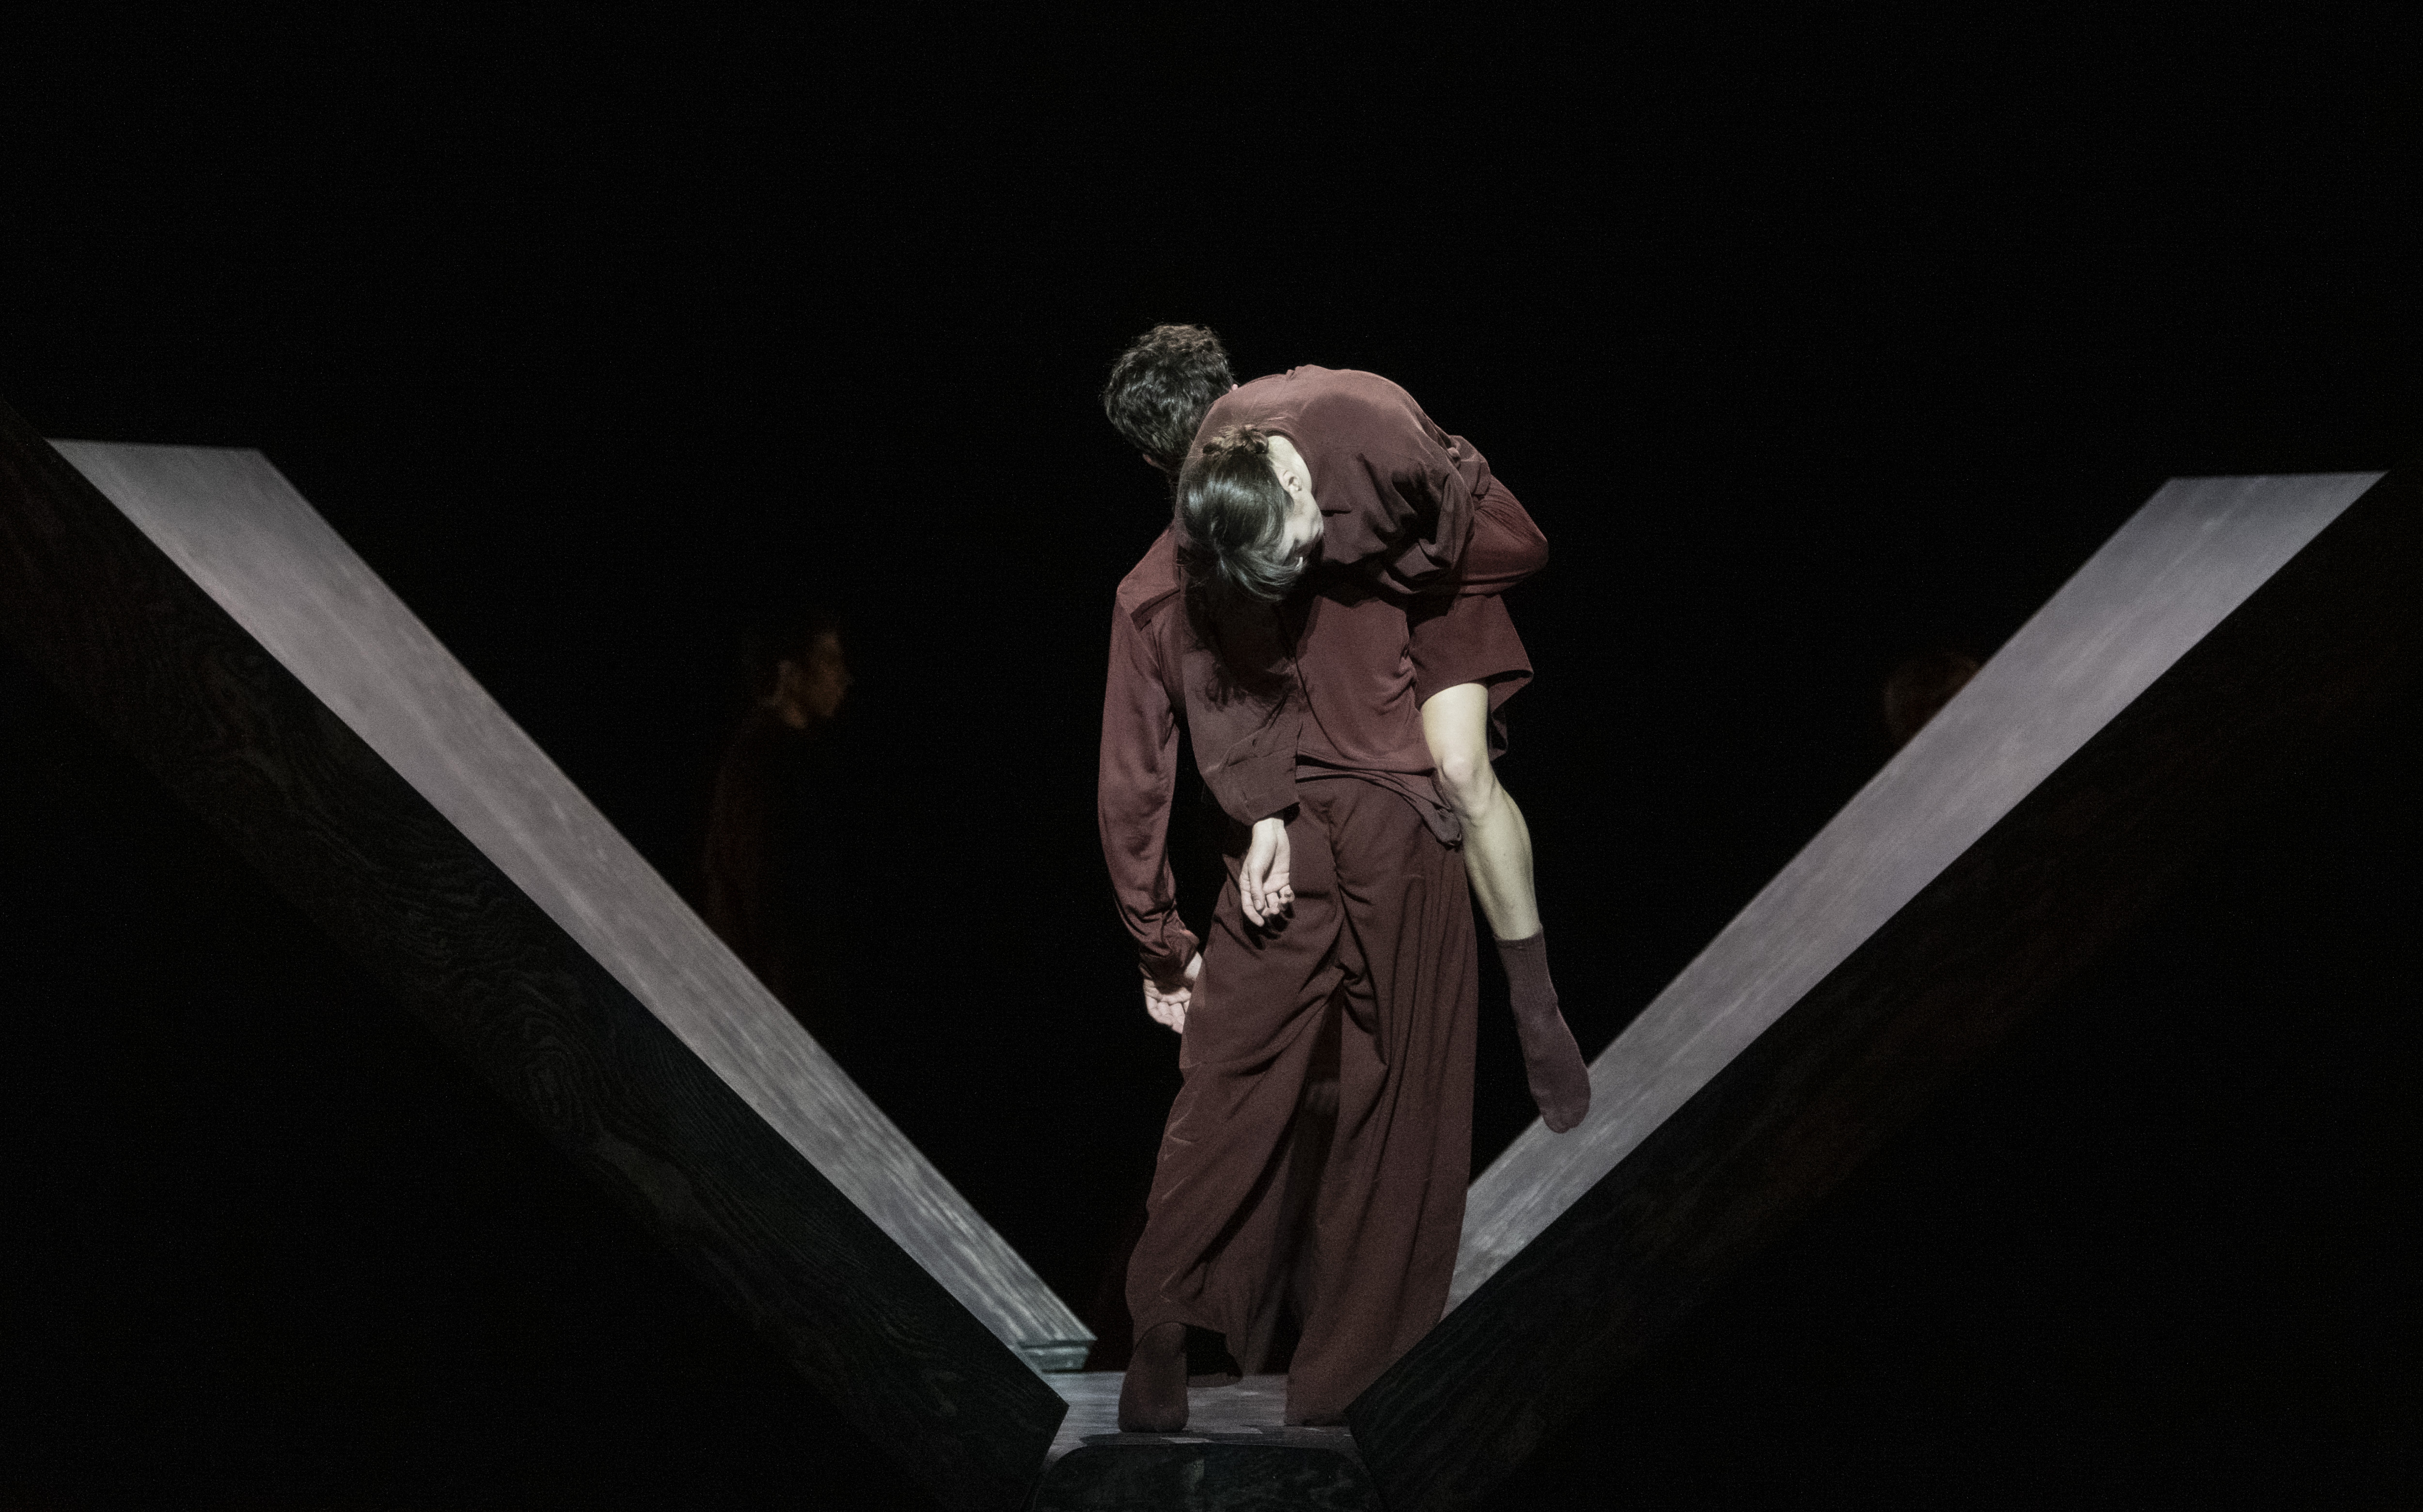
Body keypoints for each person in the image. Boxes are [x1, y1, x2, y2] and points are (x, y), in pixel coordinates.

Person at [1098, 366, 1584, 1432]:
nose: (1311, 551)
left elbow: (1137, 783)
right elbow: (1510, 549)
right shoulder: (1349, 485)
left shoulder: (1171, 578)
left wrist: (1166, 935)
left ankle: (1165, 1320)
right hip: (1391, 820)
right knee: (1397, 1098)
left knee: (1225, 1095)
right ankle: (1349, 1378)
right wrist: (1440, 492)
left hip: (1279, 852)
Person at [1103, 328, 1587, 1131]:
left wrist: (1377, 566)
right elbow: (1222, 696)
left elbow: (1512, 539)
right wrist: (1262, 814)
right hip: (1321, 578)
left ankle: (1536, 1004)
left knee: (1462, 769)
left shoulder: (1356, 427)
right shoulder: (1198, 555)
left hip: (1432, 549)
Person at [700, 614, 855, 1047]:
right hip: (773, 1013)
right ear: (790, 672)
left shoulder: (795, 759)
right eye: (828, 660)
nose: (842, 676)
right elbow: (768, 902)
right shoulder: (764, 764)